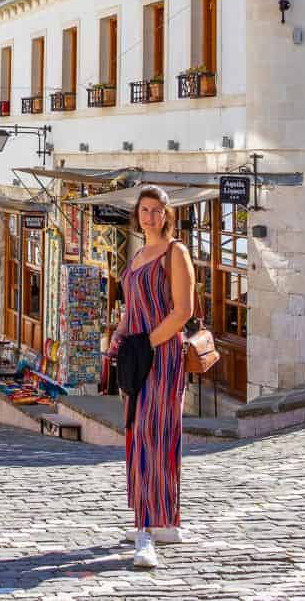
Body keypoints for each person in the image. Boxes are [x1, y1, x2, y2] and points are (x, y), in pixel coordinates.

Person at [119, 186, 194, 570]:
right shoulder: (137, 254)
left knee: (155, 434)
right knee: (138, 436)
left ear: (166, 214)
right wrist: (118, 337)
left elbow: (183, 311)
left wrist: (146, 344)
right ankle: (162, 519)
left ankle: (146, 531)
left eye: (155, 210)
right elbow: (130, 306)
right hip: (135, 354)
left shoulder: (174, 254)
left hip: (161, 356)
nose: (148, 216)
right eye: (143, 210)